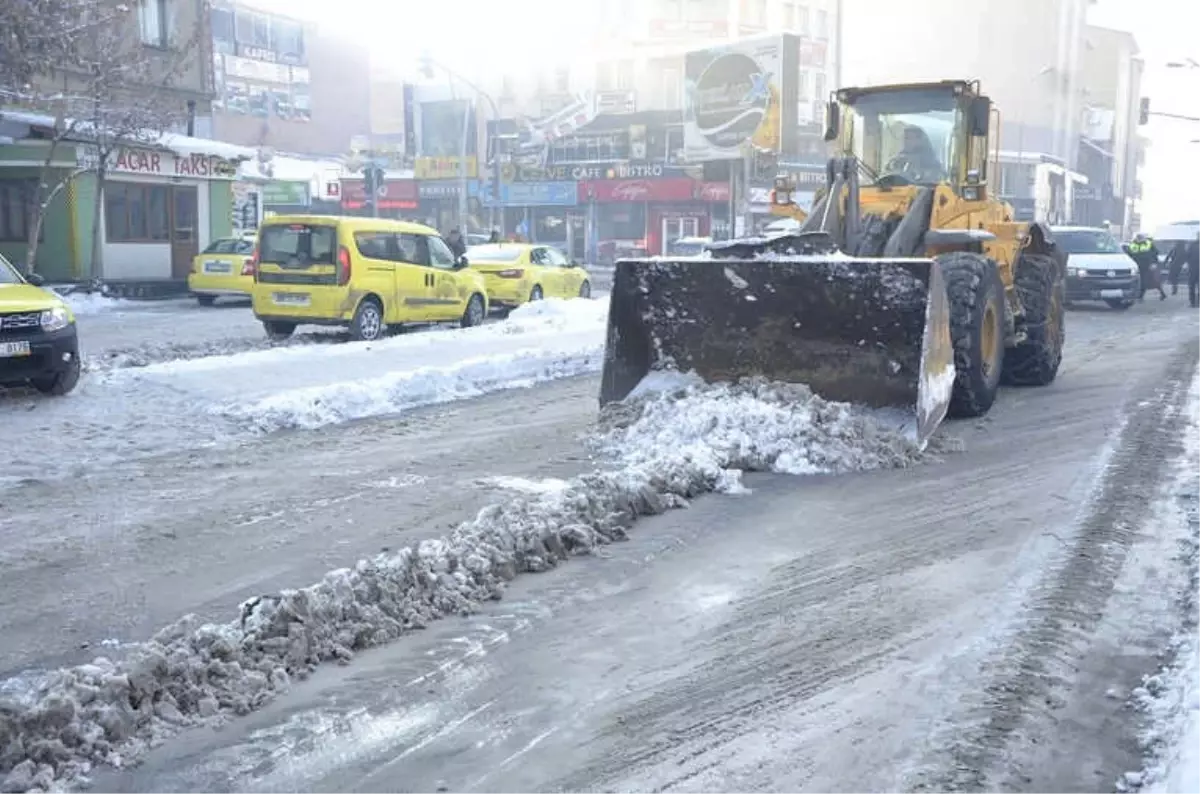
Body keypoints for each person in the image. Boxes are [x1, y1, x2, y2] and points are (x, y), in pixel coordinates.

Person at [1125, 233, 1166, 301]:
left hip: (1147, 266)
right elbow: (1129, 255)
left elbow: (1155, 253)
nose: (1139, 239)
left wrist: (1154, 263)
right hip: (1136, 266)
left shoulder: (1148, 243)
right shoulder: (1132, 245)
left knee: (1149, 281)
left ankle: (1141, 297)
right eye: (1138, 238)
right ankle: (1141, 296)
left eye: (1140, 238)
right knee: (1145, 281)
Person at [1188, 232, 1200, 308]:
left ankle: (1193, 302)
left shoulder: (1192, 245)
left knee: (1192, 286)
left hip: (1193, 268)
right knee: (1192, 286)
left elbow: (1187, 256)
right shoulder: (1192, 245)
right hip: (1193, 268)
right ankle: (1196, 302)